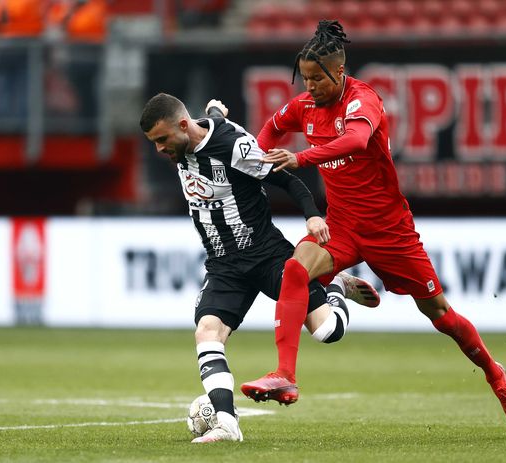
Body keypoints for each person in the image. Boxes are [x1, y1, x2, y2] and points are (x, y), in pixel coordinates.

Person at [239, 19, 506, 426]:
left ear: (339, 72)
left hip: (390, 232)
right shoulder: (304, 106)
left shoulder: (363, 100)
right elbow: (271, 127)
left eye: (316, 79)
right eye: (303, 79)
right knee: (295, 268)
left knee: (441, 315)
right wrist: (253, 158)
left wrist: (300, 158)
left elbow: (356, 141)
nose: (309, 88)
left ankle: (496, 375)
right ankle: (285, 375)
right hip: (341, 225)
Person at [139, 93, 380, 443]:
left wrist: (313, 215)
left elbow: (288, 180)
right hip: (224, 264)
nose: (160, 149)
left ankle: (335, 287)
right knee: (207, 332)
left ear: (181, 125)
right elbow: (210, 121)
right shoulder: (187, 141)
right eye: (154, 143)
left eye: (162, 140)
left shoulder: (234, 145)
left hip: (267, 255)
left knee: (328, 332)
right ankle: (227, 423)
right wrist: (214, 111)